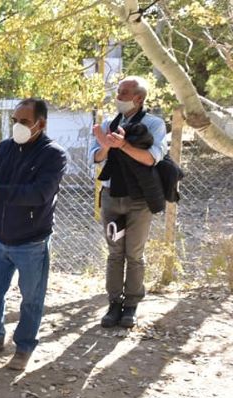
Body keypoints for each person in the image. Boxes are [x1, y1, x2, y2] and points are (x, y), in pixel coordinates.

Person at [0, 98, 67, 371]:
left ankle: (24, 347)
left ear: (41, 124)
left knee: (31, 298)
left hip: (32, 241)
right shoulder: (4, 148)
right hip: (0, 238)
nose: (18, 126)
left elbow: (40, 194)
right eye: (15, 121)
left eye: (24, 121)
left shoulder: (53, 155)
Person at [91, 76, 166, 329]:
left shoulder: (154, 124)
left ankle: (131, 305)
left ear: (139, 98)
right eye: (118, 92)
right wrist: (105, 146)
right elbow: (96, 157)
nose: (118, 97)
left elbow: (151, 158)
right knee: (115, 253)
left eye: (124, 93)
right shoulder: (107, 123)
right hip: (112, 197)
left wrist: (122, 146)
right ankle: (114, 304)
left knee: (134, 255)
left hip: (139, 200)